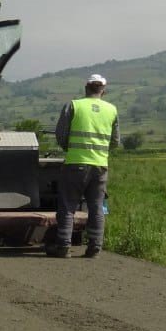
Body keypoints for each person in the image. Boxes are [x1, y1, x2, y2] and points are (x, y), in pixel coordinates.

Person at [47, 73, 120, 259]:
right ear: (103, 90)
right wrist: (101, 152)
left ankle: (63, 245)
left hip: (75, 163)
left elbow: (61, 134)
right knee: (96, 207)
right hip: (100, 166)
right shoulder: (112, 110)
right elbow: (115, 141)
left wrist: (69, 149)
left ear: (86, 88)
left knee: (68, 206)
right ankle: (95, 246)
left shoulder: (74, 105)